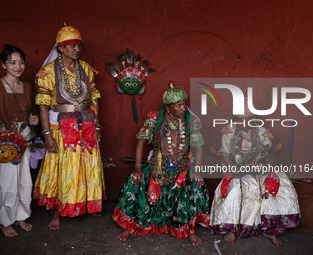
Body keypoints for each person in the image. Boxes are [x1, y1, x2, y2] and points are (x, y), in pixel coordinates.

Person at [113, 82, 210, 246]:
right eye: (178, 105)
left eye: (184, 104)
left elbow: (199, 146)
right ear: (167, 108)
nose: (183, 108)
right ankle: (132, 226)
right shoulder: (155, 120)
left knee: (194, 184)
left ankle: (189, 229)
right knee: (137, 182)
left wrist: (197, 170)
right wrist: (137, 168)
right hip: (157, 166)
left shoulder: (190, 121)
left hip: (181, 167)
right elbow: (141, 142)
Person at [33, 25, 105, 230]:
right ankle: (58, 211)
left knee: (88, 164)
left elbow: (95, 98)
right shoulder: (47, 72)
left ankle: (89, 202)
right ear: (61, 48)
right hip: (61, 126)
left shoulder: (87, 68)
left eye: (78, 45)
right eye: (71, 45)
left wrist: (97, 124)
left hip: (87, 122)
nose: (76, 49)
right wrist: (47, 134)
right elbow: (43, 105)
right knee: (63, 168)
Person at [209, 106, 300, 247]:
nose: (244, 123)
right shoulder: (229, 132)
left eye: (248, 119)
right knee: (235, 190)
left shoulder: (263, 133)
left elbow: (270, 156)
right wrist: (235, 168)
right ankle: (232, 229)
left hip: (259, 169)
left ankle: (268, 229)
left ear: (253, 119)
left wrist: (263, 166)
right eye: (240, 119)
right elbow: (225, 155)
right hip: (237, 170)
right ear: (236, 119)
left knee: (279, 184)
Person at [0, 44, 39, 237]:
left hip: (24, 140)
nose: (18, 66)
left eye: (21, 62)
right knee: (7, 182)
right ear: (4, 65)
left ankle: (21, 216)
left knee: (25, 180)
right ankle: (5, 220)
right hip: (5, 142)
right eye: (12, 62)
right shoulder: (0, 86)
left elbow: (31, 112)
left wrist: (34, 119)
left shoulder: (27, 87)